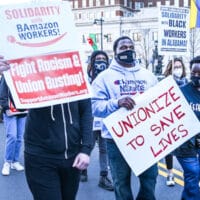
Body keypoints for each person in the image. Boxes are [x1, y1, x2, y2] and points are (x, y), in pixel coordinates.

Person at [91, 36, 158, 200]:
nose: (128, 49)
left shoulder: (148, 76)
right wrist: (116, 103)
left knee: (150, 179)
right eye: (123, 47)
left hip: (146, 137)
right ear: (115, 52)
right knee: (121, 183)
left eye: (130, 46)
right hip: (116, 140)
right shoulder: (103, 78)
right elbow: (94, 107)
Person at [80, 50, 114, 191]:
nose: (101, 61)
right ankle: (83, 170)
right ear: (92, 61)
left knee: (104, 148)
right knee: (88, 145)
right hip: (90, 118)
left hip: (105, 118)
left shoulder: (110, 78)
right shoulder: (85, 78)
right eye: (98, 58)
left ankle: (103, 176)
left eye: (103, 59)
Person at [174, 56, 200, 200]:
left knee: (196, 176)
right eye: (193, 74)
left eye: (199, 74)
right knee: (193, 174)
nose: (196, 77)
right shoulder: (182, 92)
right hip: (185, 143)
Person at [163, 57, 188, 186]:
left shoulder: (188, 83)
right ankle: (170, 174)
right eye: (175, 67)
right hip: (169, 120)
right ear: (170, 69)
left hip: (183, 120)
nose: (178, 69)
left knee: (187, 150)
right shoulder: (165, 83)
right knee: (169, 150)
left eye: (179, 67)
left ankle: (190, 175)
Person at [0, 75, 27, 176]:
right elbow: (2, 92)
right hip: (10, 111)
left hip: (22, 111)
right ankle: (7, 162)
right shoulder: (7, 75)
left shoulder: (25, 75)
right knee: (12, 136)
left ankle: (15, 161)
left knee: (19, 138)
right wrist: (6, 108)